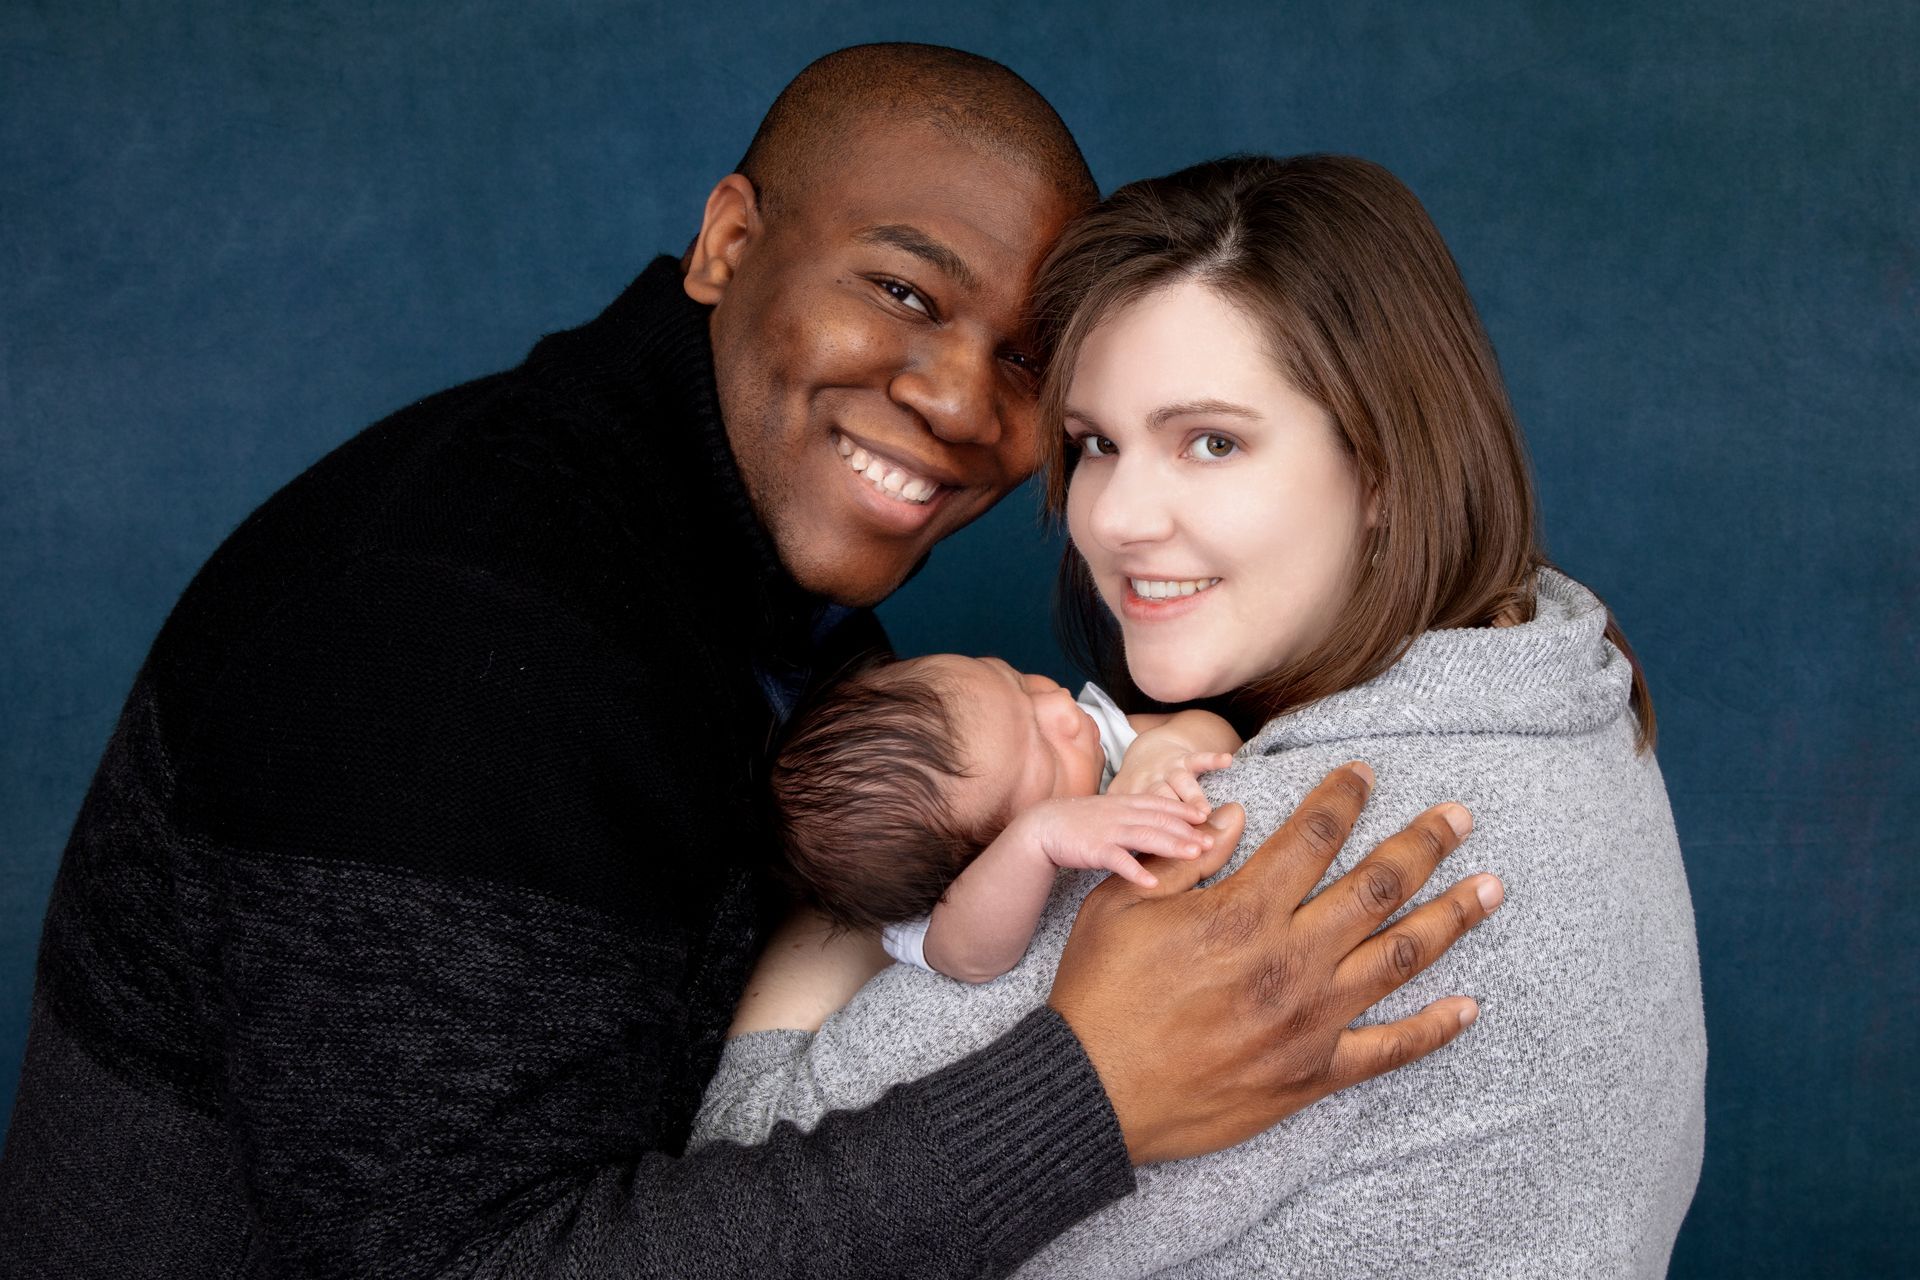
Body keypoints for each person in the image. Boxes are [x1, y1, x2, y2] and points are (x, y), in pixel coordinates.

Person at [0, 50, 1508, 1279]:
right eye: (907, 295)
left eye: (1029, 364)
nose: (961, 407)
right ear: (728, 244)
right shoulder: (445, 628)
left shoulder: (768, 590)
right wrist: (1089, 1096)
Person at [692, 154, 1707, 1277]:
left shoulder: (1266, 847)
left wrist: (823, 923)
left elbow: (749, 1197)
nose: (1117, 516)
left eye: (1212, 441)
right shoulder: (1560, 685)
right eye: (1096, 443)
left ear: (1383, 468)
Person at [765, 653, 1240, 984]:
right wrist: (1036, 840)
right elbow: (972, 959)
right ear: (971, 869)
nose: (1063, 708)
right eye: (1048, 755)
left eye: (1016, 679)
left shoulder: (1100, 740)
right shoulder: (948, 921)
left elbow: (1218, 734)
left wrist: (1161, 752)